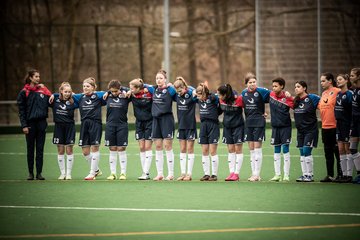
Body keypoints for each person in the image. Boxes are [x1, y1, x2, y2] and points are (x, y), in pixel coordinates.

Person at [17, 69, 51, 180]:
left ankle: (39, 173)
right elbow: (21, 110)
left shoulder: (43, 90)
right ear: (31, 78)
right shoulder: (24, 92)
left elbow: (52, 99)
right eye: (36, 76)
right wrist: (24, 125)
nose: (38, 78)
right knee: (30, 149)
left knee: (40, 149)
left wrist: (48, 91)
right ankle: (30, 173)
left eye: (39, 76)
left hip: (41, 123)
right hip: (30, 124)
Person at [72, 77, 106, 180]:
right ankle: (96, 170)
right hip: (84, 124)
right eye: (84, 86)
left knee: (94, 147)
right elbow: (64, 94)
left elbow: (110, 92)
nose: (85, 88)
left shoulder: (98, 95)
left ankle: (92, 173)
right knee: (85, 151)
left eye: (88, 86)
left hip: (95, 124)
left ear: (93, 87)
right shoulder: (80, 97)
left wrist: (107, 93)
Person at [146, 70, 177, 181]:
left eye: (160, 78)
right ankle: (160, 174)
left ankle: (171, 174)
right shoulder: (153, 89)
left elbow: (182, 88)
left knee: (167, 146)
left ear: (165, 79)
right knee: (158, 146)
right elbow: (141, 84)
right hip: (156, 120)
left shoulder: (170, 90)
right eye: (157, 78)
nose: (158, 80)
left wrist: (172, 85)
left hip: (167, 120)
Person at [241, 73, 270, 182]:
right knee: (251, 149)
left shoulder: (262, 91)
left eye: (254, 82)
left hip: (259, 122)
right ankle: (254, 173)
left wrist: (265, 113)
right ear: (246, 84)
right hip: (248, 123)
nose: (252, 84)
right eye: (250, 82)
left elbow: (274, 97)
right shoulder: (244, 93)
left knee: (257, 148)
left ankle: (257, 174)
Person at [50, 82, 78, 180]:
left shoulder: (73, 101)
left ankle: (69, 174)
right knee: (60, 150)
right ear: (61, 91)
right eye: (65, 91)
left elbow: (83, 97)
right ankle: (62, 173)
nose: (67, 93)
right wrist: (54, 95)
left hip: (70, 127)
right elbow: (47, 96)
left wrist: (74, 95)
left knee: (69, 150)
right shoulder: (55, 99)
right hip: (58, 127)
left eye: (69, 92)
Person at [293, 81, 320, 182]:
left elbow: (324, 105)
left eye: (298, 87)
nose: (296, 88)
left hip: (310, 130)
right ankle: (304, 174)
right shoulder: (296, 101)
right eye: (295, 87)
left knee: (306, 151)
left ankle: (310, 175)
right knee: (301, 152)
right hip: (300, 131)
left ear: (304, 88)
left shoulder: (312, 98)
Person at [217, 84, 244, 181]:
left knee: (238, 150)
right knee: (230, 150)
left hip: (238, 127)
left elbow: (249, 108)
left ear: (225, 94)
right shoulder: (221, 100)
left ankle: (237, 174)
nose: (218, 96)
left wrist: (262, 113)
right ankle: (231, 173)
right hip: (227, 127)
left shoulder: (239, 99)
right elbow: (218, 111)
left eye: (219, 94)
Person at [104, 80, 131, 180]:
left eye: (116, 91)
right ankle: (113, 173)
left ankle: (123, 173)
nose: (114, 93)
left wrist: (125, 90)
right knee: (112, 148)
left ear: (120, 89)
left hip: (122, 125)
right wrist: (108, 92)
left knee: (121, 148)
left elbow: (134, 89)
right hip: (110, 125)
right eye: (112, 91)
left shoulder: (125, 96)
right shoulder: (107, 96)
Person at [268, 77, 294, 182]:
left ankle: (286, 175)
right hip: (275, 127)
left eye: (276, 86)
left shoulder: (287, 98)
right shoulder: (270, 95)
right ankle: (277, 175)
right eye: (273, 86)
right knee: (276, 150)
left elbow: (297, 106)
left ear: (282, 86)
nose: (274, 88)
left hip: (285, 127)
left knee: (285, 150)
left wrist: (291, 97)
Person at [194, 82, 221, 181]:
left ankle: (214, 175)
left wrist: (206, 89)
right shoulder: (198, 99)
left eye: (200, 95)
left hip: (213, 125)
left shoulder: (212, 98)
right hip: (203, 125)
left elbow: (219, 102)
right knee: (204, 151)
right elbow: (190, 92)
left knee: (213, 151)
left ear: (204, 93)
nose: (198, 97)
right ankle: (206, 174)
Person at [318, 72, 341, 182]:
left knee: (337, 151)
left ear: (330, 81)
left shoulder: (337, 91)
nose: (321, 83)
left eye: (323, 80)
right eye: (321, 81)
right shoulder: (323, 94)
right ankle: (330, 175)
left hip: (335, 126)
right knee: (328, 152)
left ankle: (341, 174)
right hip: (325, 127)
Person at [173, 77, 197, 181]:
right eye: (177, 91)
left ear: (184, 87)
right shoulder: (177, 95)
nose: (179, 93)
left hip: (190, 126)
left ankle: (189, 174)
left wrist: (191, 89)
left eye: (180, 90)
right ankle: (183, 173)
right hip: (181, 126)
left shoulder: (191, 94)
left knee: (190, 149)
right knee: (182, 149)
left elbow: (196, 91)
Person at [129, 78, 153, 180]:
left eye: (132, 89)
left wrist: (146, 87)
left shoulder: (149, 93)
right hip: (139, 123)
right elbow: (119, 88)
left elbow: (155, 88)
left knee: (148, 147)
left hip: (150, 122)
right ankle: (144, 172)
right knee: (141, 147)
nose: (131, 90)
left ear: (138, 88)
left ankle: (146, 173)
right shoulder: (132, 94)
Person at [334, 74, 353, 183]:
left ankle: (349, 175)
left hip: (347, 124)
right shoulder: (338, 94)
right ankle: (343, 174)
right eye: (337, 80)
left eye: (340, 80)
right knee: (340, 149)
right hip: (339, 124)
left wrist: (352, 125)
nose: (338, 82)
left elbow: (353, 110)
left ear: (346, 81)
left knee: (347, 149)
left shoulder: (349, 94)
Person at [349, 67, 360, 183]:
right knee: (352, 148)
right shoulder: (355, 90)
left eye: (352, 76)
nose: (350, 77)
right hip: (354, 124)